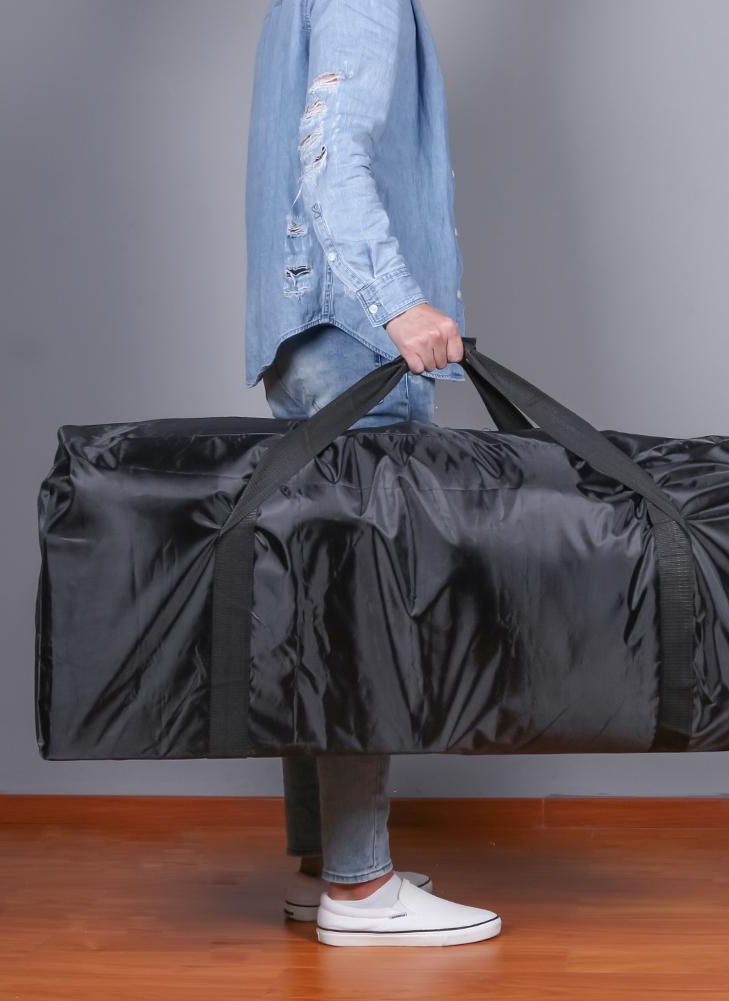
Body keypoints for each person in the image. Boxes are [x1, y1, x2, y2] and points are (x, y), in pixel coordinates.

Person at [244, 0, 502, 947]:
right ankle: (360, 889)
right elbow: (329, 153)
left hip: (310, 338)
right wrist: (399, 303)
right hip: (354, 339)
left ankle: (331, 864)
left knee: (323, 599)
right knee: (361, 609)